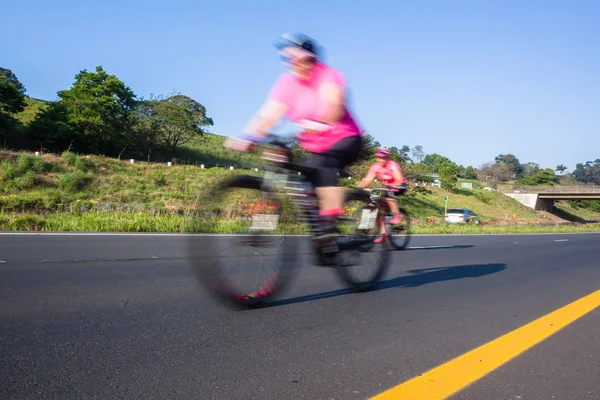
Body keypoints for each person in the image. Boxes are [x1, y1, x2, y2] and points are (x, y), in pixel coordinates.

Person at [225, 31, 364, 239]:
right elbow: (269, 114)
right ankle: (321, 224)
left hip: (346, 139)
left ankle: (329, 221)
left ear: (310, 57)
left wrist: (321, 122)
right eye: (287, 58)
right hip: (316, 147)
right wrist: (249, 136)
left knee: (323, 164)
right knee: (301, 169)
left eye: (295, 56)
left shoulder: (327, 75)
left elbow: (334, 105)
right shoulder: (287, 83)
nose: (291, 62)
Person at [357, 147, 407, 243]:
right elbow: (367, 180)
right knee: (374, 205)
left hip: (400, 186)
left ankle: (397, 215)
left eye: (383, 157)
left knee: (389, 194)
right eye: (379, 157)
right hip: (386, 187)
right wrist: (359, 188)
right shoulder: (375, 166)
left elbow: (399, 179)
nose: (381, 159)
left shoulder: (393, 165)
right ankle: (383, 233)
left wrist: (393, 185)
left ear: (388, 157)